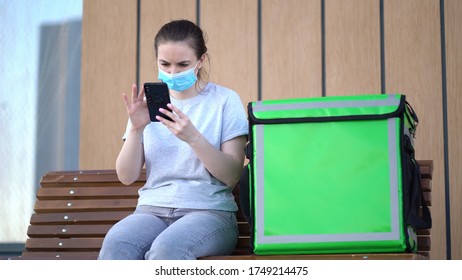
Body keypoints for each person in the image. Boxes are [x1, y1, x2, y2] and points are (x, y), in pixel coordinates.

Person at [98, 19, 248, 260]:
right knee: (117, 244)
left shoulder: (225, 101)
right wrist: (136, 129)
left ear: (201, 61)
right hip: (151, 210)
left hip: (209, 213)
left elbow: (231, 175)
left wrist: (193, 138)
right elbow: (126, 176)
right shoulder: (147, 106)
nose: (172, 72)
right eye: (164, 64)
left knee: (167, 251)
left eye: (182, 64)